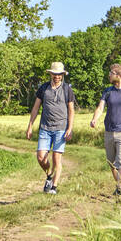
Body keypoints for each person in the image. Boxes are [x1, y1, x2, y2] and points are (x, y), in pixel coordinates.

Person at [90, 63, 121, 197]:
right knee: (112, 163)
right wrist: (94, 119)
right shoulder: (107, 91)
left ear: (118, 75)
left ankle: (120, 188)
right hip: (109, 132)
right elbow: (101, 108)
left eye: (111, 73)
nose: (109, 75)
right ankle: (120, 186)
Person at [26, 62, 75, 195]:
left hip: (61, 128)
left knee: (56, 158)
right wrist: (30, 126)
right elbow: (35, 108)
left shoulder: (67, 89)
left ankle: (54, 187)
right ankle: (49, 175)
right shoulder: (43, 88)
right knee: (41, 157)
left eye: (59, 74)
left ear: (62, 75)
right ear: (50, 74)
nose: (57, 77)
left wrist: (70, 128)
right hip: (45, 128)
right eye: (54, 74)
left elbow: (71, 110)